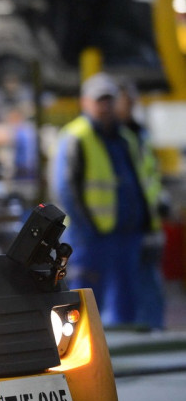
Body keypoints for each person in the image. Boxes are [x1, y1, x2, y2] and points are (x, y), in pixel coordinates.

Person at [51, 72, 159, 328]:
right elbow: (64, 188)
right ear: (85, 102)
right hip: (90, 236)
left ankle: (123, 349)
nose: (105, 106)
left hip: (126, 233)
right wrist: (85, 227)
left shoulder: (126, 138)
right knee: (86, 299)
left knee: (126, 298)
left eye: (109, 99)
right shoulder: (76, 136)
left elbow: (141, 180)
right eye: (99, 100)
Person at [116, 78, 167, 330]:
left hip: (146, 222)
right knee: (126, 288)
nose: (130, 103)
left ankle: (154, 330)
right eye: (126, 98)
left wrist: (159, 203)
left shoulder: (138, 133)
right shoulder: (111, 137)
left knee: (149, 282)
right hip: (120, 227)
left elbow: (149, 177)